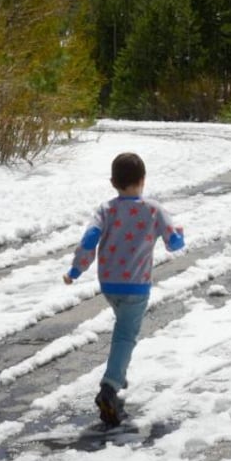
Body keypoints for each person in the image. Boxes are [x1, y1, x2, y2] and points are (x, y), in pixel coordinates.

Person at [63, 152, 184, 427]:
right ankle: (110, 387)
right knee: (125, 336)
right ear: (143, 180)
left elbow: (89, 239)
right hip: (136, 286)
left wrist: (75, 271)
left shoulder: (105, 210)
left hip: (109, 284)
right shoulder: (153, 209)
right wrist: (180, 235)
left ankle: (118, 371)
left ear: (112, 182)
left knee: (122, 329)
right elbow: (174, 243)